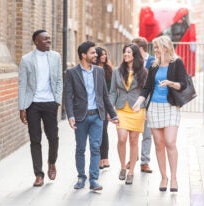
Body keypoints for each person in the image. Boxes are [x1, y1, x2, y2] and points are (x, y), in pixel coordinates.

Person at [133, 35, 188, 192]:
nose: (155, 50)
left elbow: (183, 84)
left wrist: (171, 83)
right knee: (158, 144)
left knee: (170, 142)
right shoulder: (154, 66)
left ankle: (174, 177)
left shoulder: (176, 63)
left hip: (171, 107)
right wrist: (139, 102)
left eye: (157, 47)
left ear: (165, 47)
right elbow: (147, 87)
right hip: (155, 107)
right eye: (154, 47)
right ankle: (164, 177)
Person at [63, 41, 119, 191]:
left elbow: (104, 95)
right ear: (83, 55)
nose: (96, 55)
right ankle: (81, 177)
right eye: (93, 53)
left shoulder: (99, 71)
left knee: (95, 147)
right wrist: (70, 116)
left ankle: (94, 179)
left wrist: (113, 114)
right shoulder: (71, 73)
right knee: (80, 148)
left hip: (97, 117)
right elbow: (68, 96)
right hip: (80, 117)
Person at [18, 29, 63, 187]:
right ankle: (39, 174)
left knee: (53, 137)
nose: (48, 42)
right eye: (45, 40)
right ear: (36, 41)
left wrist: (57, 101)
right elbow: (22, 84)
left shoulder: (55, 57)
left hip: (50, 103)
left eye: (49, 39)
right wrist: (22, 107)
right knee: (35, 139)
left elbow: (59, 81)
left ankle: (52, 162)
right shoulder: (26, 60)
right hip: (33, 105)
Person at [109, 44, 148, 184]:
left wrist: (146, 110)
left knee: (133, 140)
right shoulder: (117, 71)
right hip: (121, 109)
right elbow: (113, 91)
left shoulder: (144, 72)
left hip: (137, 110)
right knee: (122, 138)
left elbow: (146, 92)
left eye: (128, 52)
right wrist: (110, 110)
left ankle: (131, 171)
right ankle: (122, 167)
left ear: (135, 55)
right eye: (124, 52)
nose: (125, 54)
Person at [125, 37, 155, 173]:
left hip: (149, 100)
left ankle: (144, 161)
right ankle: (133, 157)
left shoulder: (153, 62)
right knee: (133, 134)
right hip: (133, 102)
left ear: (140, 49)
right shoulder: (130, 63)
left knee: (147, 133)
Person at [95, 47, 113, 170]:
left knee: (103, 130)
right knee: (96, 132)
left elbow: (111, 89)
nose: (103, 56)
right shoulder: (92, 69)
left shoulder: (108, 69)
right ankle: (98, 158)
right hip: (94, 104)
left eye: (105, 54)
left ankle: (104, 157)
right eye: (101, 55)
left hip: (105, 104)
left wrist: (110, 108)